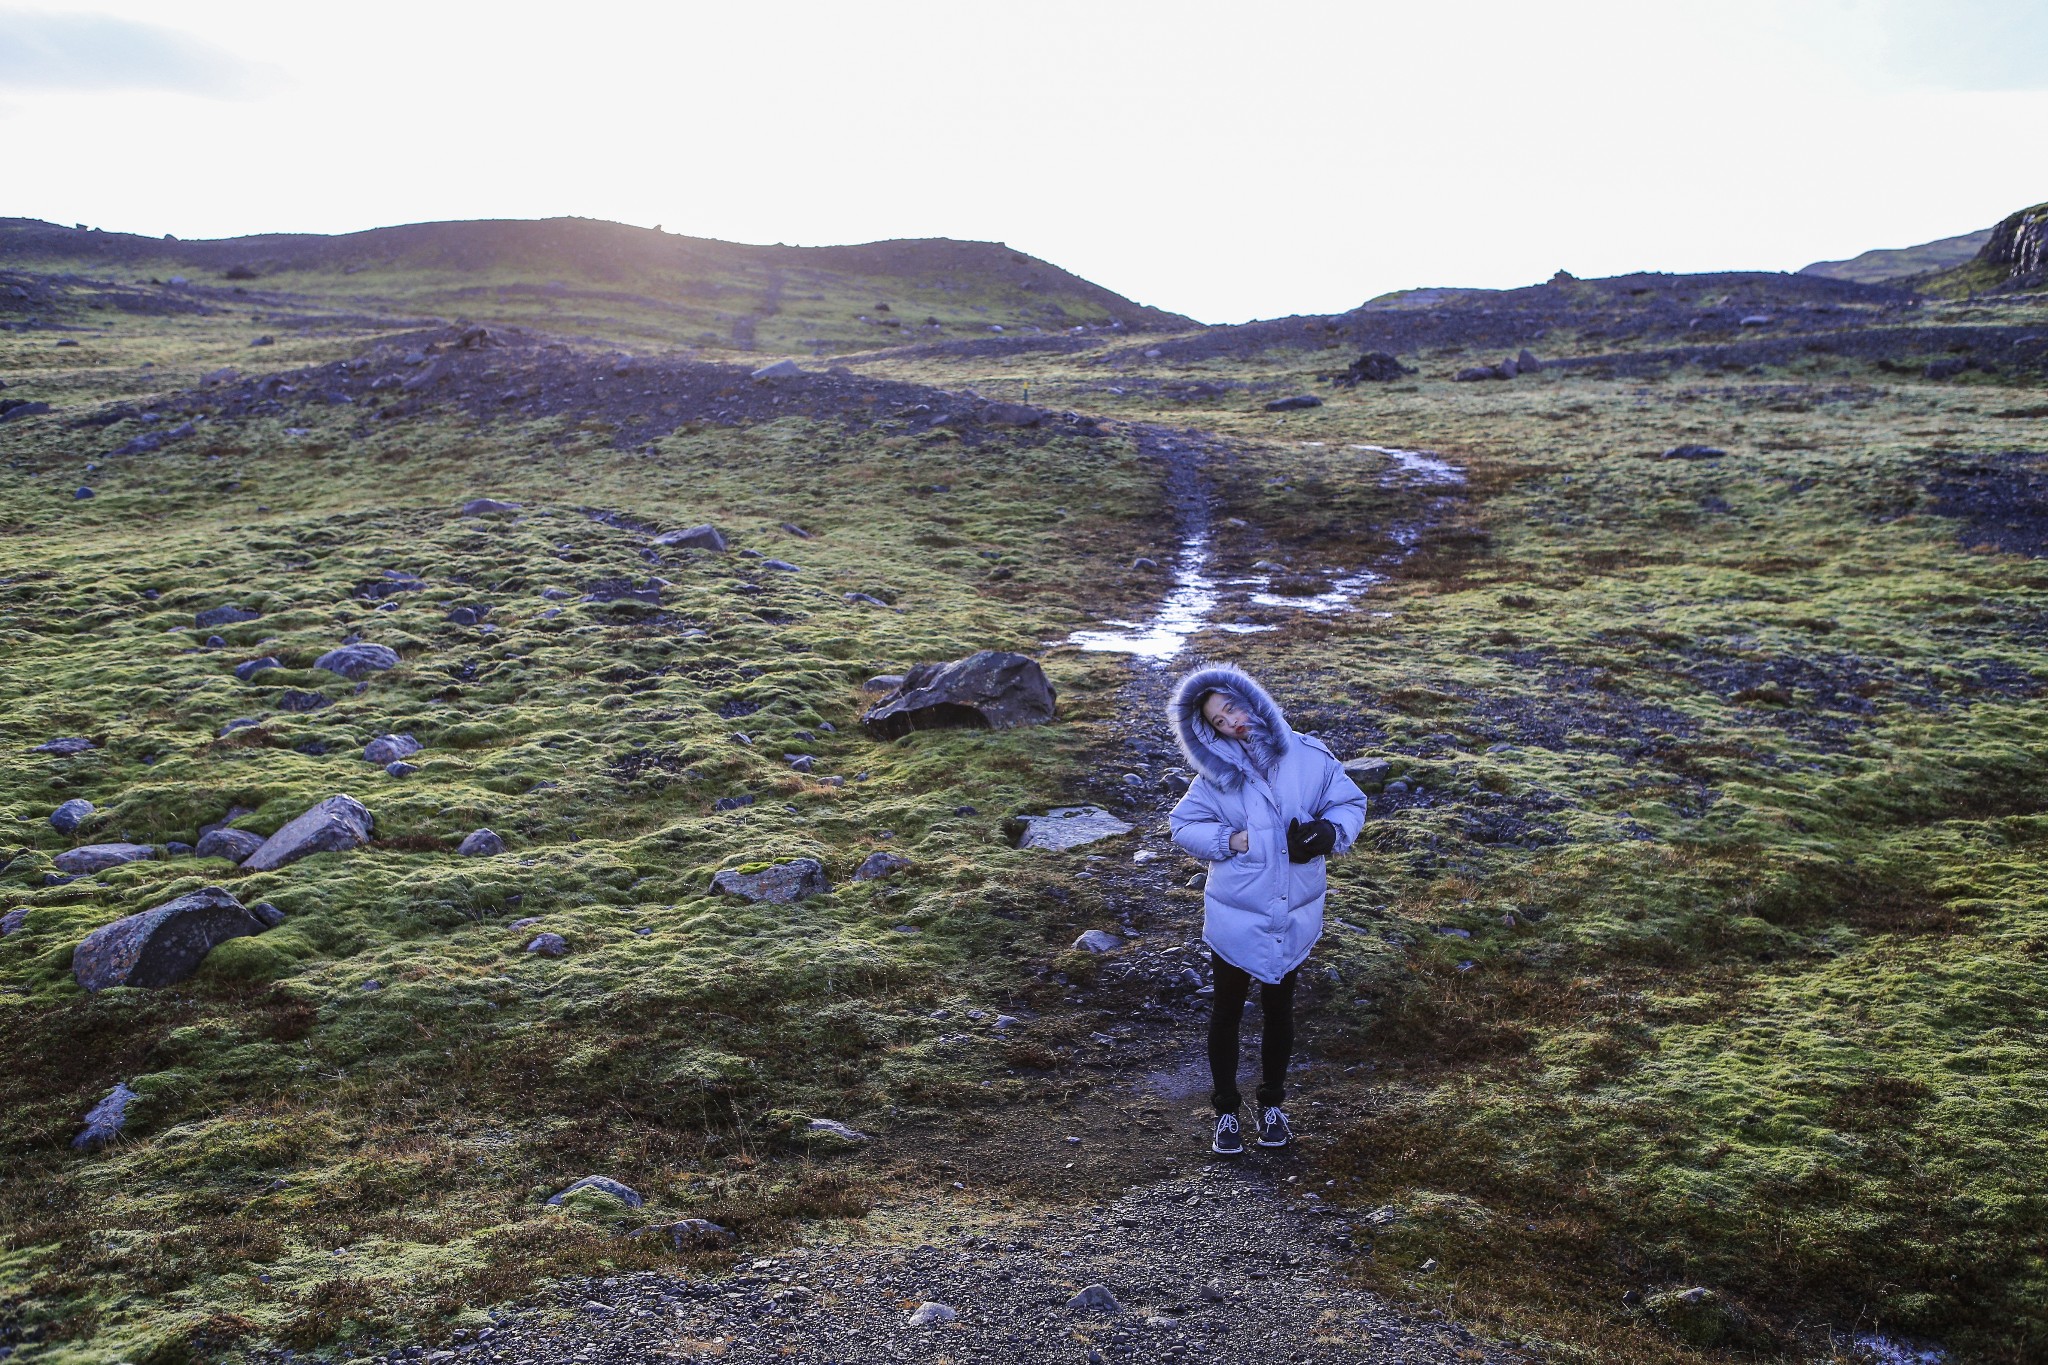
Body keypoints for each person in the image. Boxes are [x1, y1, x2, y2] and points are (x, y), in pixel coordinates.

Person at [1166, 665, 1367, 1156]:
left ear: (1252, 700)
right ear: (1206, 732)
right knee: (1228, 1011)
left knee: (1280, 1010)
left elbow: (1349, 803)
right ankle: (1227, 1112)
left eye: (1232, 707)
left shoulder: (1309, 755)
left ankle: (1273, 1105)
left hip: (1294, 912)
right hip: (1236, 913)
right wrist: (1228, 839)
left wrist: (1326, 834)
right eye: (1216, 721)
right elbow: (1182, 825)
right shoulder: (1216, 775)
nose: (1230, 722)